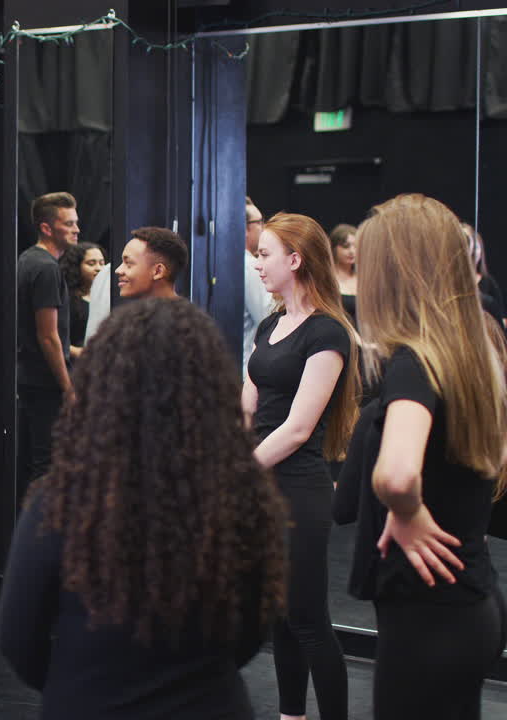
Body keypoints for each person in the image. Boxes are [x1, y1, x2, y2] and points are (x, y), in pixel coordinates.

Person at [0, 298, 288, 719]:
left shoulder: (58, 501)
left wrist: (80, 684)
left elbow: (19, 639)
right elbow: (249, 635)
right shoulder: (246, 500)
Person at [335, 194, 506, 719]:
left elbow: (397, 473)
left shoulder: (414, 362)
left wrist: (407, 511)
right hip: (472, 603)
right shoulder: (478, 349)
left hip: (427, 612)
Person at [244, 212, 359, 720]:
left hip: (298, 489)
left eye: (265, 254)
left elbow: (296, 428)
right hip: (262, 486)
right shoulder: (271, 324)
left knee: (309, 618)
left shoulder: (328, 333)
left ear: (295, 260)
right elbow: (248, 406)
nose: (257, 262)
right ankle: (291, 715)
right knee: (281, 618)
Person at [16, 192, 77, 490]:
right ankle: (39, 534)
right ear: (47, 228)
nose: (77, 229)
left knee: (41, 462)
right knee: (47, 467)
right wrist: (68, 388)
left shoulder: (28, 260)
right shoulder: (46, 268)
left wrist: (75, 349)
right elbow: (47, 335)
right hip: (45, 383)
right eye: (69, 223)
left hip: (30, 377)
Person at [83, 226, 187, 342]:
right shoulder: (126, 324)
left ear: (158, 271)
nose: (118, 270)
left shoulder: (184, 329)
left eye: (128, 263)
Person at [57, 241, 105, 359]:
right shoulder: (68, 299)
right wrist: (77, 352)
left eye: (102, 263)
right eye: (91, 263)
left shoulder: (105, 297)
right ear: (77, 266)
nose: (98, 268)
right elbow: (56, 338)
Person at [244, 198, 274, 375]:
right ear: (245, 228)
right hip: (246, 368)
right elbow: (266, 317)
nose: (263, 228)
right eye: (259, 222)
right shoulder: (251, 266)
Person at [328, 223, 357, 325]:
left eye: (356, 246)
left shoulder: (363, 278)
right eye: (346, 246)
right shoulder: (327, 280)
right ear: (334, 248)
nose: (352, 251)